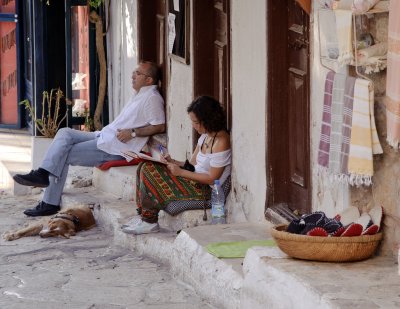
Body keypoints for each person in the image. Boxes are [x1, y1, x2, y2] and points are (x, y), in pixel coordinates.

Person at [14, 61, 166, 217]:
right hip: (104, 137)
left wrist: (133, 132)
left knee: (63, 154)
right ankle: (43, 173)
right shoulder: (140, 94)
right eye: (134, 71)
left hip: (116, 147)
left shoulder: (152, 98)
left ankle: (49, 202)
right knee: (65, 133)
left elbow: (160, 126)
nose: (133, 75)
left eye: (138, 73)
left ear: (149, 80)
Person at [122, 95, 231, 235]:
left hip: (206, 190)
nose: (193, 126)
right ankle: (144, 217)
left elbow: (212, 178)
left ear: (208, 120)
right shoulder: (205, 136)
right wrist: (172, 161)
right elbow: (191, 165)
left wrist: (180, 173)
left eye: (196, 122)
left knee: (150, 172)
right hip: (193, 179)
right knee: (145, 166)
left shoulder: (221, 141)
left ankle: (149, 222)